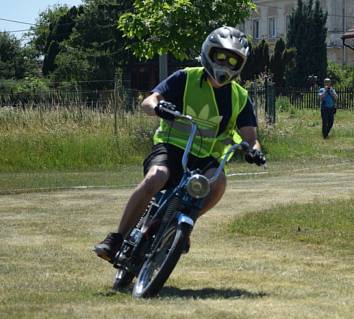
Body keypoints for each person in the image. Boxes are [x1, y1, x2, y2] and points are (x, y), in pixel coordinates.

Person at [93, 26, 266, 261]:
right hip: (171, 147)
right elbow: (149, 100)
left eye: (233, 61)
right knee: (156, 177)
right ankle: (116, 238)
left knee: (219, 182)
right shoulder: (186, 77)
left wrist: (254, 152)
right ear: (208, 53)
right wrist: (156, 107)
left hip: (207, 158)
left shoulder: (240, 97)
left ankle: (182, 227)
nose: (225, 64)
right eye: (221, 56)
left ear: (240, 65)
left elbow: (250, 138)